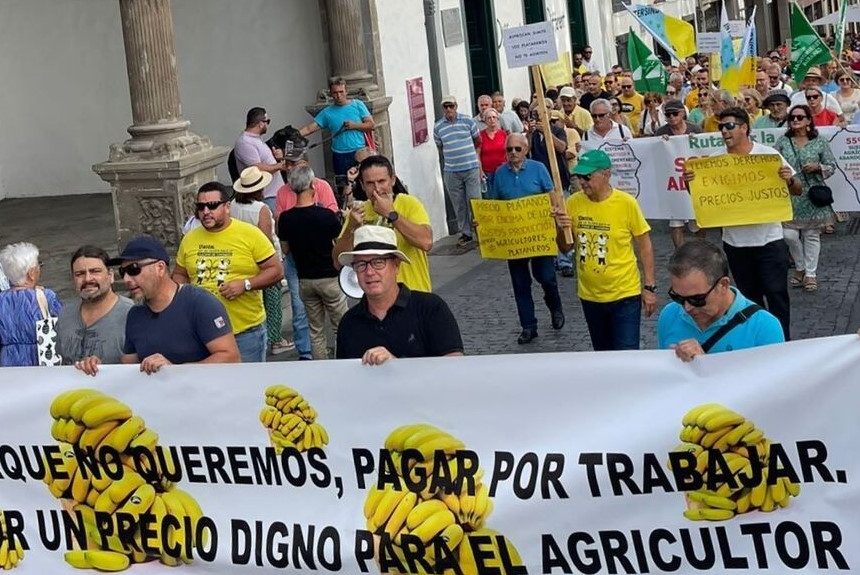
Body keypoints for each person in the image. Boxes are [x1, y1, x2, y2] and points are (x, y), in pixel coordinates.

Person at [683, 107, 801, 340]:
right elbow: (701, 195)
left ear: (744, 127)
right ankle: (757, 345)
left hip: (769, 240)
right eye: (721, 127)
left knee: (776, 295)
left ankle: (782, 343)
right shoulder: (714, 160)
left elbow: (797, 189)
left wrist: (789, 180)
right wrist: (690, 182)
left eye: (729, 126)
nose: (724, 131)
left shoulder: (768, 155)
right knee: (749, 299)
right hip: (735, 244)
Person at [75, 236, 239, 375]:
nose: (126, 279)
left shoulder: (200, 303)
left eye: (133, 269)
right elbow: (129, 366)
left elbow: (231, 357)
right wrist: (98, 367)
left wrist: (175, 371)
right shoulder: (135, 314)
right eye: (122, 272)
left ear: (160, 268)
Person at [552, 150, 657, 351]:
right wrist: (560, 228)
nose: (582, 182)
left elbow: (645, 245)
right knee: (602, 355)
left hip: (624, 295)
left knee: (626, 354)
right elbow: (565, 247)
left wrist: (649, 287)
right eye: (579, 176)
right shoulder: (573, 203)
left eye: (587, 176)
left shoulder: (626, 203)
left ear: (606, 174)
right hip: (590, 296)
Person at [173, 180, 284, 363]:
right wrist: (182, 294)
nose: (206, 211)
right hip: (202, 332)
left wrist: (245, 284)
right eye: (200, 207)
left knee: (247, 381)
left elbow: (276, 271)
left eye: (212, 205)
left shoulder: (250, 234)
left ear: (227, 207)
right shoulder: (190, 239)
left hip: (244, 332)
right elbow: (180, 273)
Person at [335, 226, 463, 364]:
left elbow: (454, 364)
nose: (369, 272)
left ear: (396, 265)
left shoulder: (431, 308)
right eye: (361, 264)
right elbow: (344, 374)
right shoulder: (348, 322)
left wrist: (397, 366)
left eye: (378, 262)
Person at [488, 133, 565, 344]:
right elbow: (494, 205)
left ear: (526, 149)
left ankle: (555, 306)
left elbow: (551, 195)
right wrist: (483, 222)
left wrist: (555, 211)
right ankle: (528, 326)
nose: (513, 153)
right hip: (514, 239)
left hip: (539, 236)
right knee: (520, 284)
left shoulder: (538, 168)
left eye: (517, 149)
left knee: (546, 277)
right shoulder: (500, 173)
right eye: (509, 149)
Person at [657, 240, 785, 361]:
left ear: (723, 285)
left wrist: (706, 364)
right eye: (677, 297)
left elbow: (771, 377)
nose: (687, 307)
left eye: (697, 299)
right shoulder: (669, 315)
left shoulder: (764, 326)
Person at [333, 155, 433, 292]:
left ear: (392, 180)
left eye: (381, 181)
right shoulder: (358, 212)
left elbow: (426, 242)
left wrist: (391, 214)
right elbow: (337, 262)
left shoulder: (409, 203)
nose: (377, 189)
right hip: (375, 297)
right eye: (370, 183)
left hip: (413, 293)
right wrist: (351, 227)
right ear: (362, 185)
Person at [278, 165, 348, 360]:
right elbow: (339, 244)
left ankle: (320, 365)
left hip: (305, 279)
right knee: (341, 326)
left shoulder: (286, 219)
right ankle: (343, 362)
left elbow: (285, 249)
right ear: (312, 186)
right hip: (329, 277)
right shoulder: (326, 216)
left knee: (315, 331)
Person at [229, 167, 294, 356]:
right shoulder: (261, 209)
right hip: (262, 260)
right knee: (272, 301)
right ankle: (275, 340)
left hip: (242, 259)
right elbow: (265, 239)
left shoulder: (233, 205)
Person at [774, 105, 838, 293]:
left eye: (800, 117)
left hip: (812, 194)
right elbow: (772, 163)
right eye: (792, 117)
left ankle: (810, 273)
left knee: (811, 235)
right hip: (790, 193)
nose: (795, 120)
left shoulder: (819, 142)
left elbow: (831, 166)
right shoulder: (783, 142)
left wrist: (818, 167)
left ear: (809, 120)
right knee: (789, 235)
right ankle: (800, 266)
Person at [56, 246, 134, 365]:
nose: (87, 279)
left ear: (110, 276)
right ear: (73, 280)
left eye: (95, 271)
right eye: (80, 274)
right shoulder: (65, 315)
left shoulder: (132, 314)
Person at [0, 242, 61, 366]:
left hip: (7, 363)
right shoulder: (47, 296)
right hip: (39, 361)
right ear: (31, 273)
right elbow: (63, 326)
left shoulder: (1, 300)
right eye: (39, 265)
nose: (40, 269)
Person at [299, 77, 375, 176]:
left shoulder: (357, 104)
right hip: (340, 155)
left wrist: (354, 125)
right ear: (331, 94)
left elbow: (371, 125)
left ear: (346, 91)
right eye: (335, 93)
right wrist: (293, 135)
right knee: (341, 182)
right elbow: (309, 128)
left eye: (341, 92)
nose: (338, 95)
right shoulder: (327, 112)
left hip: (360, 152)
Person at [433, 95, 482, 246]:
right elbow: (440, 146)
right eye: (445, 106)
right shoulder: (438, 127)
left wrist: (474, 158)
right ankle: (465, 233)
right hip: (452, 171)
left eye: (451, 106)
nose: (449, 109)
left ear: (456, 106)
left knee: (475, 201)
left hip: (470, 167)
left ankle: (481, 232)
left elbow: (477, 141)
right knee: (458, 204)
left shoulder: (468, 121)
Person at [233, 107, 286, 212]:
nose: (267, 125)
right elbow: (257, 168)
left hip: (273, 194)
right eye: (267, 121)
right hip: (266, 196)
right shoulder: (245, 142)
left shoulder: (255, 139)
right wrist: (279, 166)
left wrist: (277, 157)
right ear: (261, 123)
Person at [478, 108, 508, 197]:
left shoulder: (503, 134)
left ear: (498, 119)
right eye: (489, 118)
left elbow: (508, 153)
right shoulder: (480, 135)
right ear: (485, 120)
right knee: (490, 198)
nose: (492, 120)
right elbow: (477, 155)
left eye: (494, 117)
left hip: (502, 171)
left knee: (504, 196)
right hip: (487, 173)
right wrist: (480, 171)